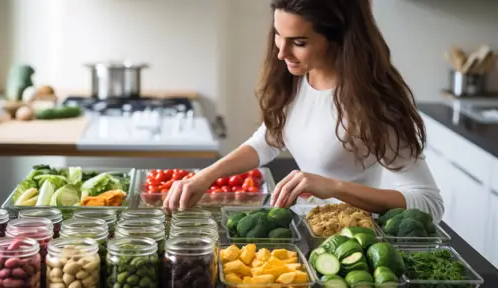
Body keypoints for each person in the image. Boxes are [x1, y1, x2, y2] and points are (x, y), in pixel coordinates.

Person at [163, 0, 444, 223]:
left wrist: (334, 187)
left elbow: (430, 204)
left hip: (354, 243)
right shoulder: (295, 77)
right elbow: (268, 140)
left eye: (299, 42)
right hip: (306, 228)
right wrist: (205, 176)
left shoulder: (376, 103)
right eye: (278, 36)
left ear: (340, 38)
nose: (281, 53)